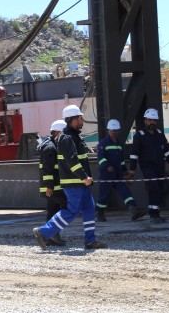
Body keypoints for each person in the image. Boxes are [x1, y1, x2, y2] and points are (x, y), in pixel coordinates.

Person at [33, 105, 106, 250]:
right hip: (74, 183)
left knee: (89, 208)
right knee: (71, 211)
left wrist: (84, 179)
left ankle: (90, 241)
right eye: (80, 118)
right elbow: (72, 161)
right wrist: (84, 177)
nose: (82, 120)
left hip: (81, 183)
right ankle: (43, 232)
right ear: (73, 120)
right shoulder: (66, 138)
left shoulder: (75, 137)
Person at [129, 108, 169, 224]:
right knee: (153, 188)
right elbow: (134, 154)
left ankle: (154, 212)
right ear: (145, 121)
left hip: (160, 166)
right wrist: (132, 169)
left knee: (159, 189)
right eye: (149, 120)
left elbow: (167, 149)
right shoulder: (139, 136)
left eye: (154, 121)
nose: (152, 123)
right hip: (147, 167)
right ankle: (154, 216)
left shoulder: (159, 134)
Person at [95, 119, 147, 222]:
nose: (114, 132)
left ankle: (134, 211)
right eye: (112, 130)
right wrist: (107, 166)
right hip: (106, 175)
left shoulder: (119, 144)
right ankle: (99, 213)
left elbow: (121, 160)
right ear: (108, 131)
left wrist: (125, 171)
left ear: (118, 131)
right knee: (103, 195)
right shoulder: (103, 143)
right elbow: (100, 157)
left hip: (118, 174)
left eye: (116, 130)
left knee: (125, 192)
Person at [36, 119, 68, 246]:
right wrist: (49, 185)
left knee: (52, 210)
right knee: (67, 206)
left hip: (52, 186)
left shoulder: (53, 145)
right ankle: (51, 233)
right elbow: (47, 168)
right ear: (56, 132)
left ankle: (49, 236)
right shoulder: (50, 147)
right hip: (52, 187)